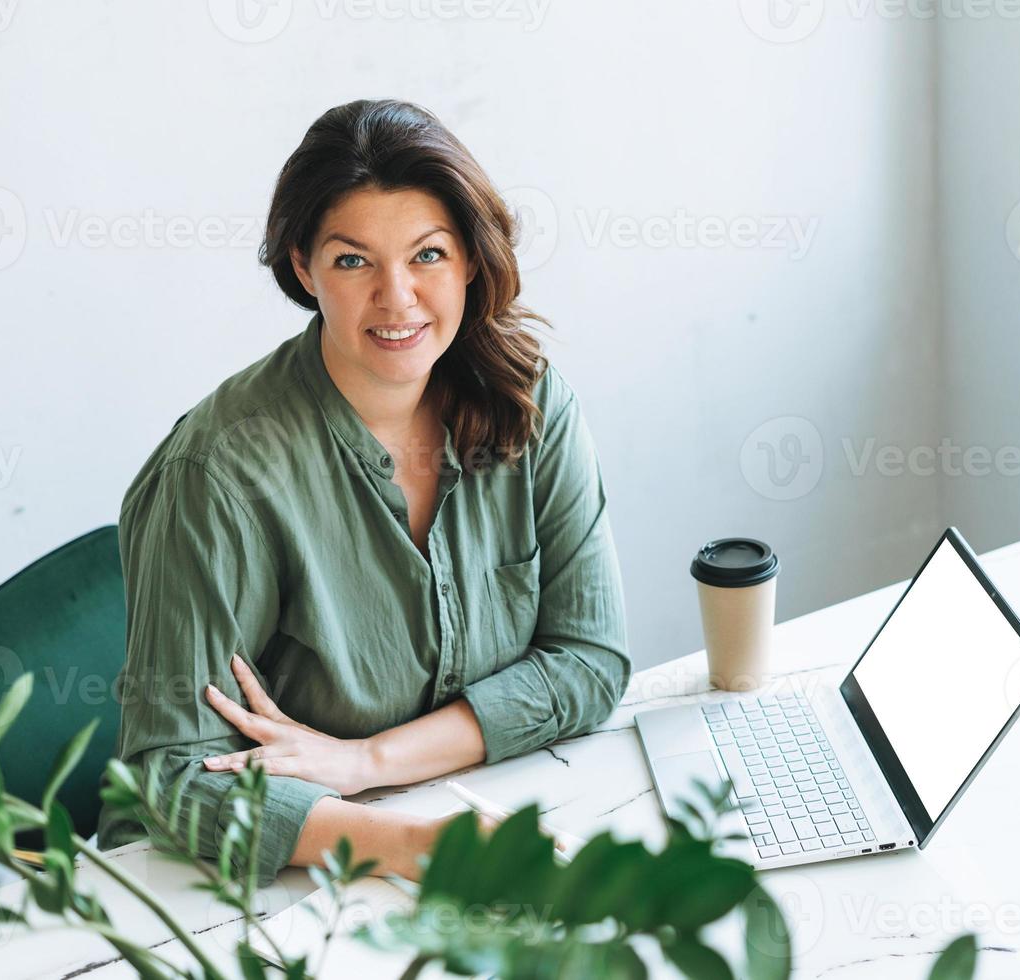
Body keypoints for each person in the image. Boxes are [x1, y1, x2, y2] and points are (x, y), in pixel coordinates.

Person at [95, 99, 632, 885]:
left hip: (461, 798)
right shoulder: (218, 473)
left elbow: (589, 661)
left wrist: (366, 759)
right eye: (353, 261)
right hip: (240, 879)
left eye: (428, 255)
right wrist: (412, 846)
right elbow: (176, 779)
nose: (398, 298)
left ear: (472, 261)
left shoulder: (533, 402)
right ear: (304, 268)